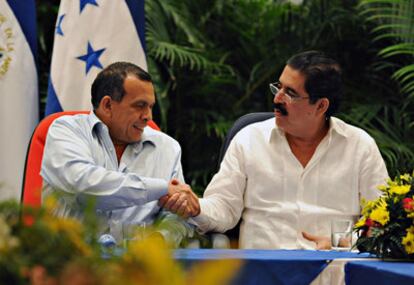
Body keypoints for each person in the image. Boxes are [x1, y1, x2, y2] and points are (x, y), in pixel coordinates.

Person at [162, 51, 388, 249]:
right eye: (278, 87)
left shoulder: (360, 147)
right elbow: (224, 208)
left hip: (333, 273)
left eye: (290, 93)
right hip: (265, 273)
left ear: (321, 106)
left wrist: (343, 243)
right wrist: (196, 207)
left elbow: (383, 225)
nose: (277, 98)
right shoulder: (249, 140)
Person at [41, 62, 198, 246]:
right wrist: (162, 188)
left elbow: (177, 217)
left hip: (135, 269)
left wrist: (158, 241)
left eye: (150, 106)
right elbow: (83, 186)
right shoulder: (65, 131)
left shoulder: (167, 148)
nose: (148, 116)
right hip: (70, 264)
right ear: (107, 105)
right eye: (140, 106)